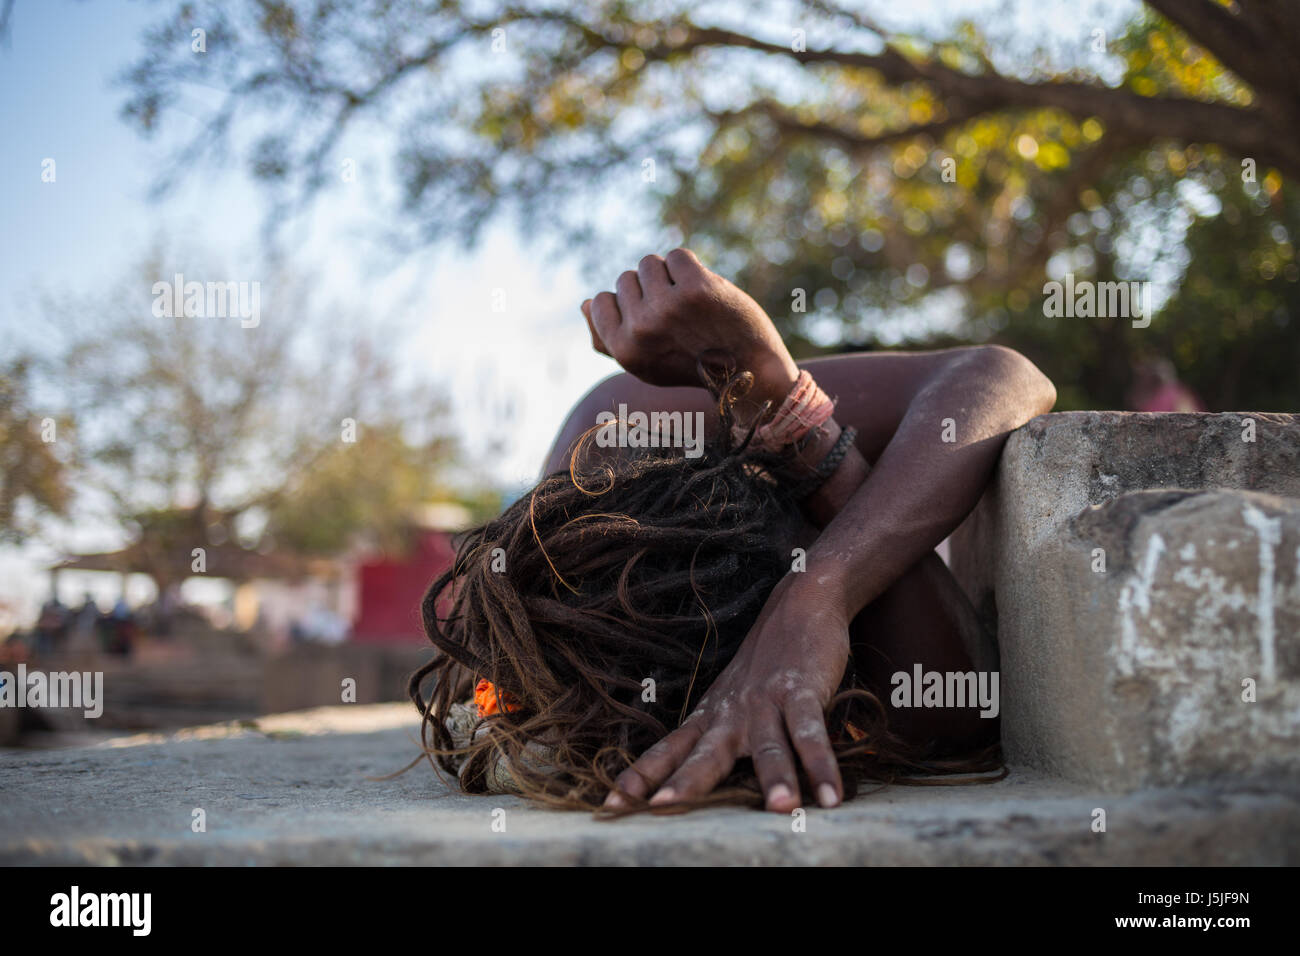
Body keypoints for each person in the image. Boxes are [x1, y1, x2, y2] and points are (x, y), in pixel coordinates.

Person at [409, 249, 1056, 813]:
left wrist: (816, 587)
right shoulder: (544, 695)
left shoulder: (617, 431)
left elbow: (1002, 379)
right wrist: (789, 423)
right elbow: (958, 715)